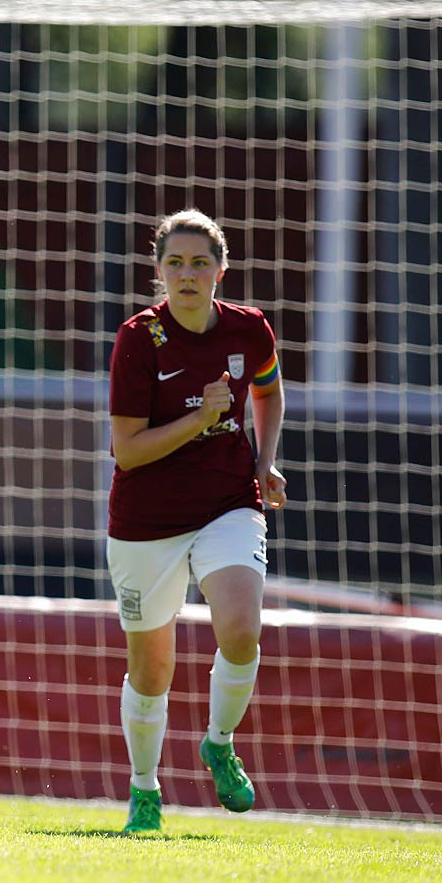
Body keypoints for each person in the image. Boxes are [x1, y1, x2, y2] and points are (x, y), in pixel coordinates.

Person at [105, 209, 287, 834]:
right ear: (159, 271)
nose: (187, 274)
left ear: (221, 270)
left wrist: (265, 463)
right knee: (151, 670)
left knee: (240, 628)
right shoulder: (137, 339)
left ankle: (218, 742)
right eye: (175, 263)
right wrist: (199, 420)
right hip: (146, 519)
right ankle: (144, 790)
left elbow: (268, 391)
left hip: (227, 502)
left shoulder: (249, 329)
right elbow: (127, 450)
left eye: (200, 263)